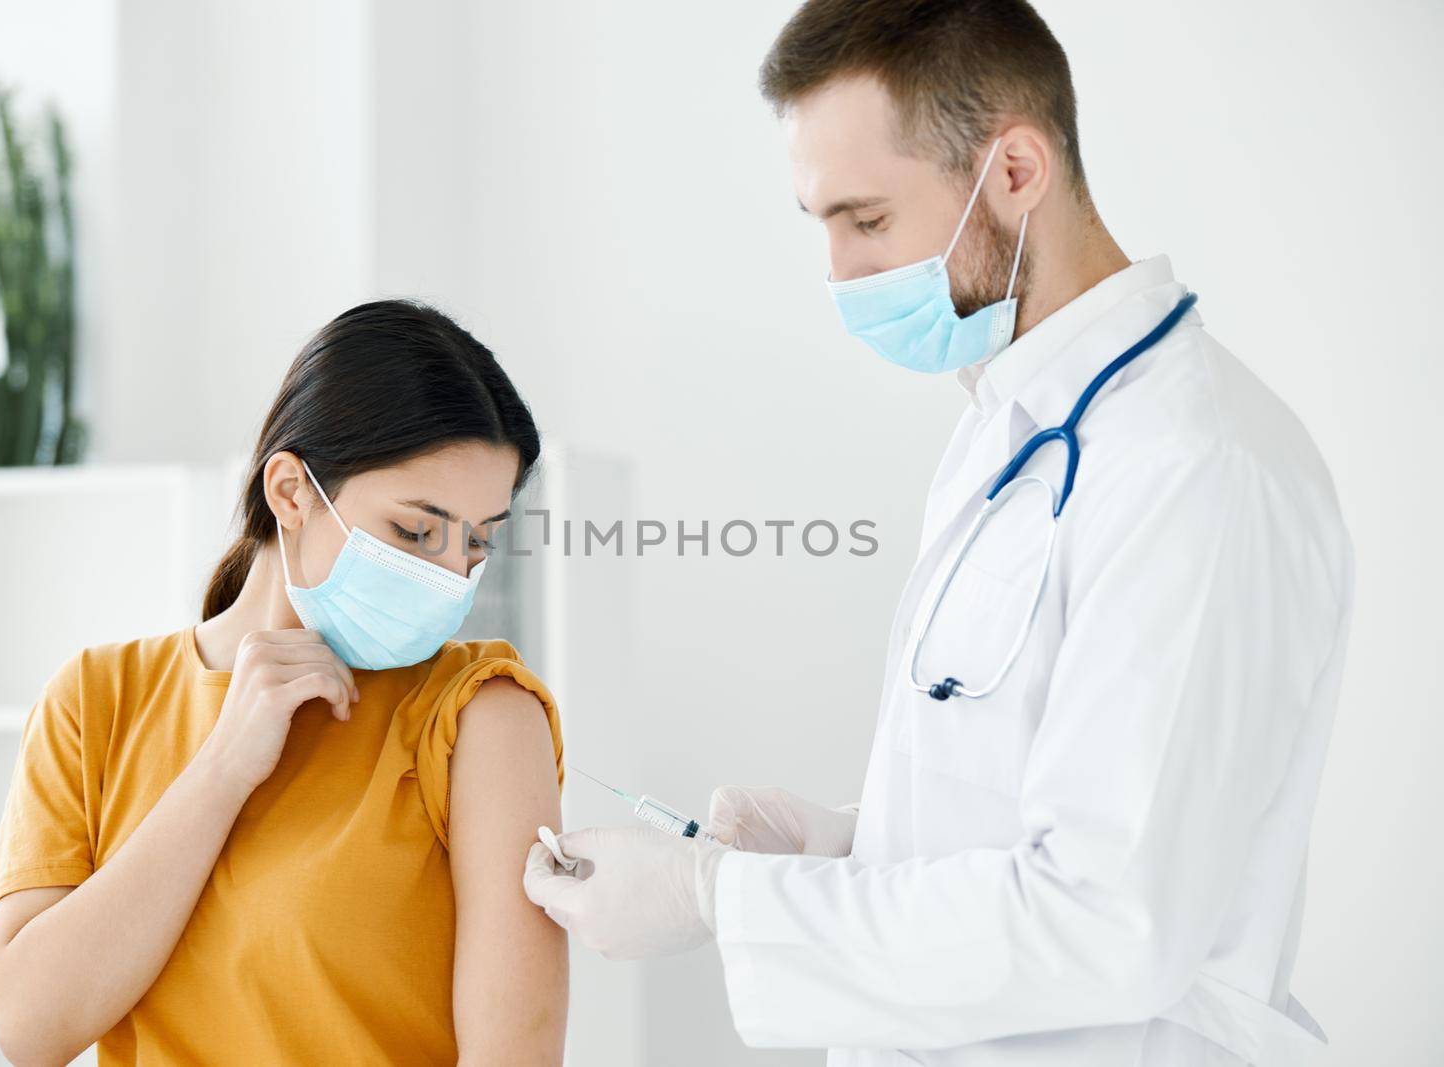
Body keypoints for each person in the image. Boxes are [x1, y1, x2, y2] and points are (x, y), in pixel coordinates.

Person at [523, 2, 1351, 1065]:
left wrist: (720, 898)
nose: (837, 274)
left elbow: (1108, 920)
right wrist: (841, 843)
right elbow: (1029, 790)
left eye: (866, 221)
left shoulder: (1192, 465)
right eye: (818, 223)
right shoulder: (1004, 428)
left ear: (1014, 171)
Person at [0, 300, 568, 1066]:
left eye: (476, 543)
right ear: (290, 491)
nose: (449, 578)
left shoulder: (481, 714)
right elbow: (30, 1026)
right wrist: (223, 768)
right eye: (415, 531)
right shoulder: (94, 699)